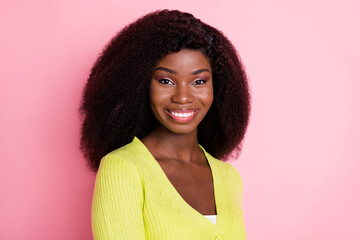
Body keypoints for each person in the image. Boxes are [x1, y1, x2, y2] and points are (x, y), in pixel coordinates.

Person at [80, 9, 250, 239]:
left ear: (217, 87)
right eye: (166, 81)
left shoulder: (229, 177)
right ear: (141, 84)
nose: (182, 97)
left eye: (199, 81)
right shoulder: (123, 168)